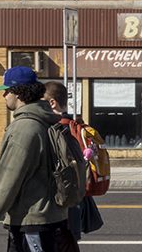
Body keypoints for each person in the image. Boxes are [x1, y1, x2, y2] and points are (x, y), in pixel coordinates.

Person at [0, 67, 79, 251]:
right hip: (55, 217)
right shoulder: (51, 121)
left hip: (32, 223)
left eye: (7, 90)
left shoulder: (24, 128)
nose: (4, 95)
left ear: (18, 92)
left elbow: (7, 179)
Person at [43, 81, 99, 241]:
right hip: (77, 197)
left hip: (60, 202)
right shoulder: (77, 126)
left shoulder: (55, 129)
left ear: (52, 102)